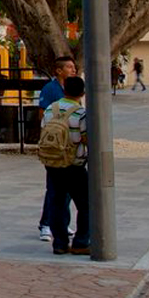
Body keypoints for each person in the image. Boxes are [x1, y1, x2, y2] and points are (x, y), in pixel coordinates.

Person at [42, 75, 90, 256]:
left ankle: (60, 244)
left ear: (64, 89)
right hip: (74, 165)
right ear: (83, 92)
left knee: (57, 203)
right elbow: (86, 138)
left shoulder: (50, 110)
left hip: (52, 163)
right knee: (85, 204)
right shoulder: (80, 113)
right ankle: (81, 242)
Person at [36, 56, 76, 242]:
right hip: (55, 146)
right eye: (69, 67)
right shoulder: (50, 89)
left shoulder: (69, 89)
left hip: (68, 147)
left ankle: (61, 222)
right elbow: (42, 114)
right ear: (59, 70)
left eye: (73, 66)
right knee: (53, 187)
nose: (73, 69)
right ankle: (46, 224)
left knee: (67, 189)